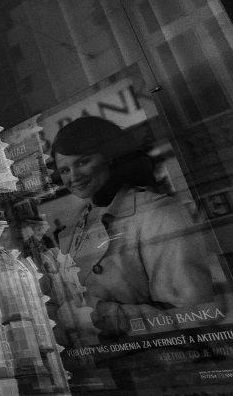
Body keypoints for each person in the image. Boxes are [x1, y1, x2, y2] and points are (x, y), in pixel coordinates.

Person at [51, 116, 219, 339]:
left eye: (82, 162)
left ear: (110, 157)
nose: (74, 177)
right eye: (64, 171)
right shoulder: (78, 223)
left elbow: (193, 316)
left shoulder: (159, 213)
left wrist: (99, 314)